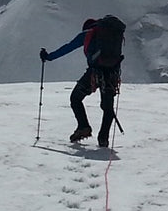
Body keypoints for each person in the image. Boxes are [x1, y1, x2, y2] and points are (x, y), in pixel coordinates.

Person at [40, 17, 123, 146]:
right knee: (108, 107)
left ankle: (83, 127)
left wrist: (48, 57)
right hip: (112, 74)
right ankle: (103, 139)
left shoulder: (87, 34)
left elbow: (68, 47)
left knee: (75, 98)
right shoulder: (113, 36)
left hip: (94, 73)